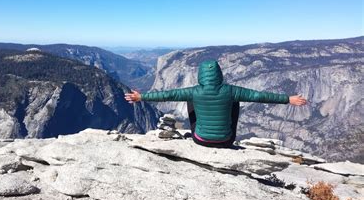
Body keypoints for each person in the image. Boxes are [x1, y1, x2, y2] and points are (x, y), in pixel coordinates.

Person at [124, 59, 307, 148]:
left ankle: (202, 130)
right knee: (235, 102)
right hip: (226, 141)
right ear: (219, 74)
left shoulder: (194, 90)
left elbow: (167, 95)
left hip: (200, 140)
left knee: (189, 98)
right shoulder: (231, 90)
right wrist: (288, 99)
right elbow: (260, 96)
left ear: (201, 75)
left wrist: (141, 97)